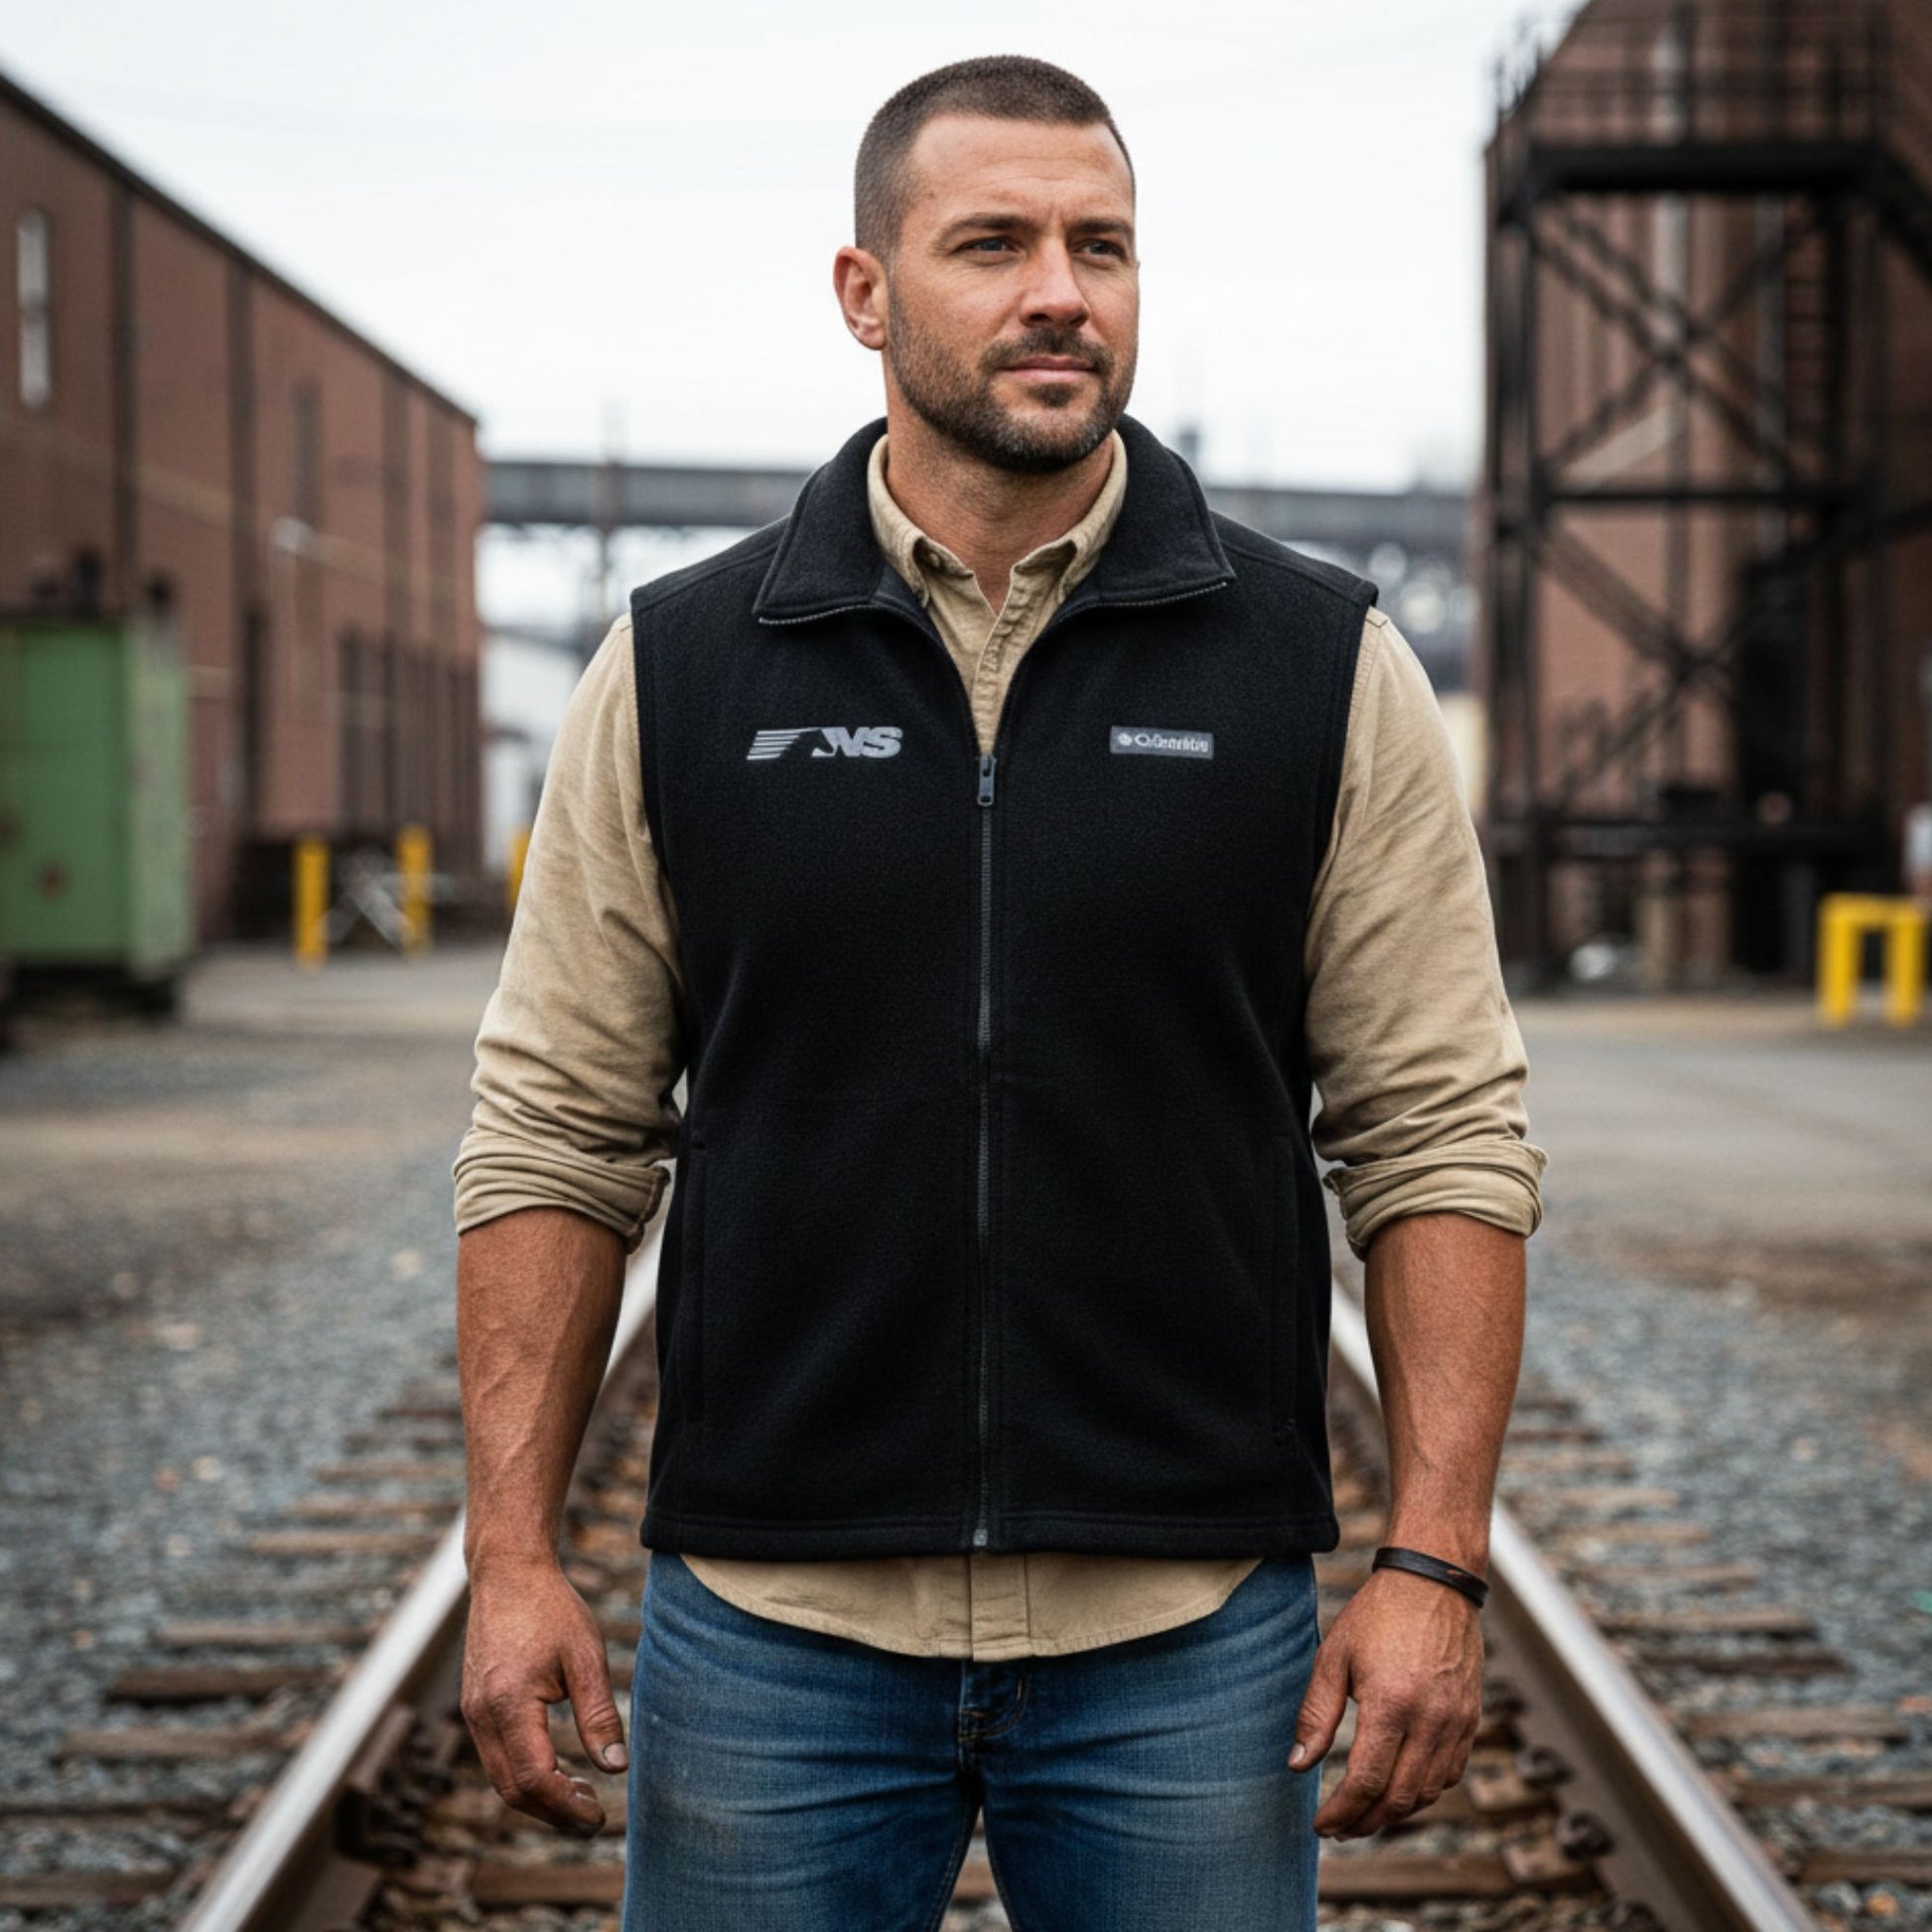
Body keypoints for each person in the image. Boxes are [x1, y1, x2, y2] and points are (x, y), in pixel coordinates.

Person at [452, 54, 1546, 1932]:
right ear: (864, 292)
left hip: (1186, 1635)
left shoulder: (1317, 664)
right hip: (773, 1629)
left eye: (1099, 245)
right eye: (993, 244)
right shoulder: (681, 666)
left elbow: (1437, 1130)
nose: (1061, 291)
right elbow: (557, 1130)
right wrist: (508, 1552)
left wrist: (1432, 1566)